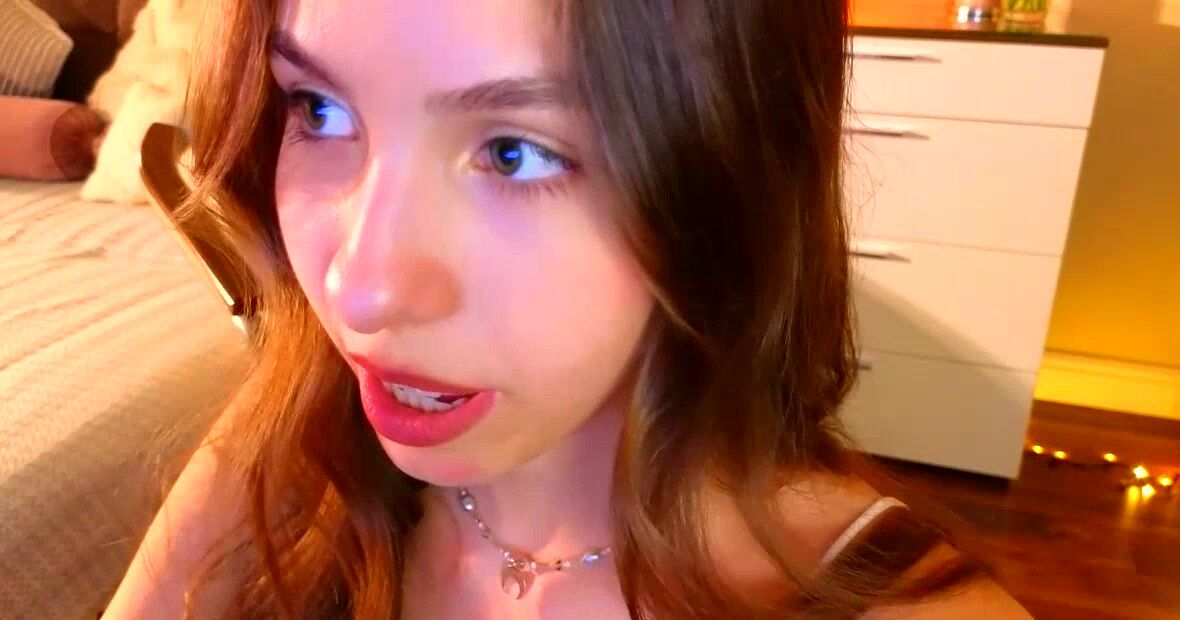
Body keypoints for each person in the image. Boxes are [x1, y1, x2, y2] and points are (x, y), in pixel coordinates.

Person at [103, 0, 1032, 617]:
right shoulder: (290, 450)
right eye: (318, 110)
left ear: (725, 181)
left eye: (515, 153)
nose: (359, 291)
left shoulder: (896, 604)